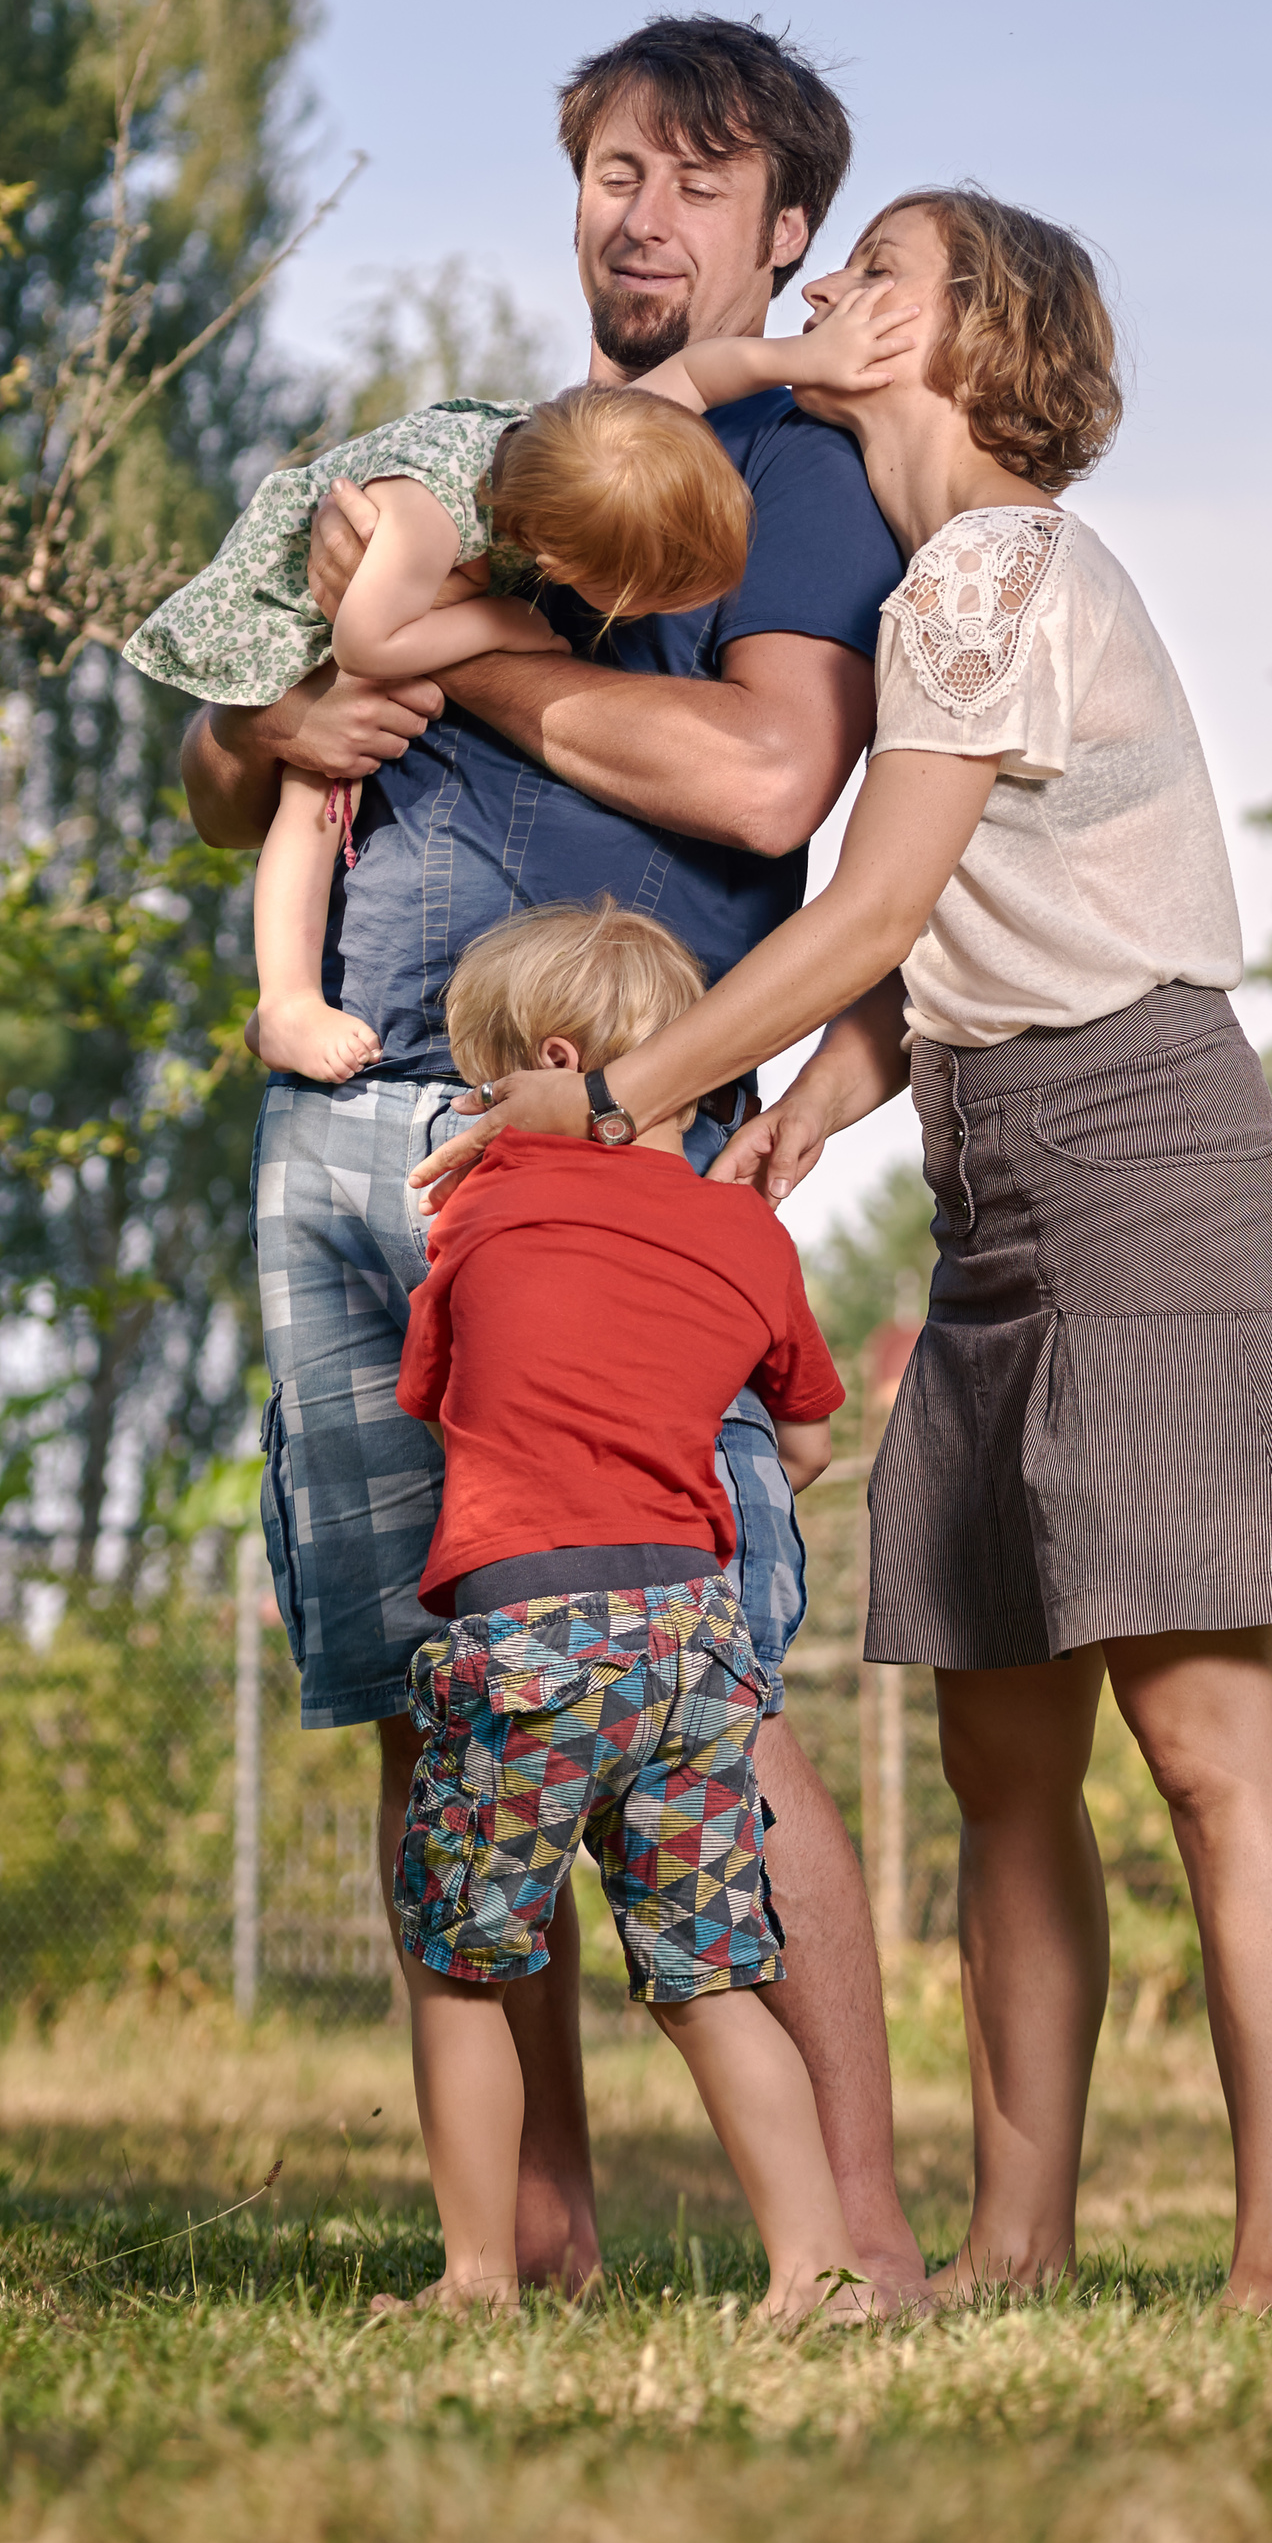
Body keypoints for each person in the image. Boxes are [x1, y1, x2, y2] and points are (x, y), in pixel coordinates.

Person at [415, 187, 1272, 2313]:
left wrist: (630, 1097)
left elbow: (865, 910)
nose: (835, 291)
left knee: (1209, 1742)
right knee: (999, 1758)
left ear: (974, 339)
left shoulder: (991, 568)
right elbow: (927, 947)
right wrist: (804, 1113)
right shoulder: (951, 594)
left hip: (1143, 1163)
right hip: (996, 1172)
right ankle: (1013, 2249)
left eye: (881, 270)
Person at [169, 16, 923, 2303]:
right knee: (433, 1698)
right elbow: (241, 775)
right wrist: (279, 714)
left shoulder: (786, 473)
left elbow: (768, 785)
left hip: (600, 1152)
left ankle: (862, 2236)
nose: (641, 210)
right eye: (611, 165)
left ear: (784, 229)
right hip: (355, 1125)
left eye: (698, 179)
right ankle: (529, 2232)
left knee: (707, 1691)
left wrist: (435, 645)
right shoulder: (496, 460)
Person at [376, 895, 881, 2321]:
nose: (482, 1108)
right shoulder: (747, 1236)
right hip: (693, 1643)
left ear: (552, 1055)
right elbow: (804, 1438)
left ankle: (479, 2275)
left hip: (532, 1631)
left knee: (465, 1960)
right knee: (709, 1972)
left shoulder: (481, 1207)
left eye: (490, 1081)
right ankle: (815, 2269)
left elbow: (435, 1395)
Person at [131, 284, 911, 1083]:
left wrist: (802, 358)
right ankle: (287, 999)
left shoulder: (600, 446)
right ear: (562, 571)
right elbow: (365, 640)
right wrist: (495, 626)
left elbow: (704, 375)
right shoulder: (430, 512)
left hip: (396, 603)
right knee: (318, 782)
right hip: (314, 618)